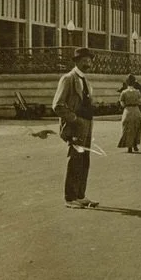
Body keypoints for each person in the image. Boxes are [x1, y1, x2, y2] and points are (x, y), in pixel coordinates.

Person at [52, 47, 99, 209]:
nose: (88, 63)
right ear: (77, 61)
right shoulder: (68, 78)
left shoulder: (85, 80)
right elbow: (58, 105)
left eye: (89, 60)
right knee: (75, 160)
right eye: (84, 60)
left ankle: (80, 195)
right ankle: (70, 197)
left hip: (87, 124)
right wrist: (75, 119)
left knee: (84, 160)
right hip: (76, 125)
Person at [117, 74, 141, 153]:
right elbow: (139, 101)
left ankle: (129, 146)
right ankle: (135, 145)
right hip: (136, 110)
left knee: (127, 128)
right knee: (136, 127)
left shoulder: (124, 92)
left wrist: (126, 105)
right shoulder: (137, 92)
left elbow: (121, 102)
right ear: (134, 83)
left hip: (127, 110)